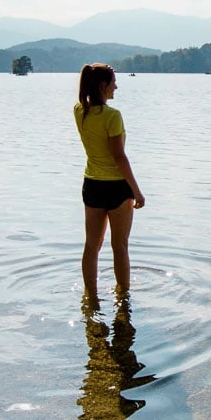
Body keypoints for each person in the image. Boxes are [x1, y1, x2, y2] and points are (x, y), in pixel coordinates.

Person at [75, 63, 145, 305]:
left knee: (91, 246)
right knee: (120, 246)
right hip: (117, 187)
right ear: (103, 85)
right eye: (114, 81)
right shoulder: (112, 116)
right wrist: (137, 191)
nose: (117, 85)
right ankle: (123, 300)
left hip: (92, 185)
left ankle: (90, 297)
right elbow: (119, 157)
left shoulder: (78, 111)